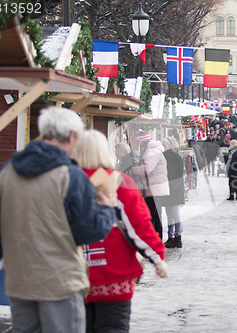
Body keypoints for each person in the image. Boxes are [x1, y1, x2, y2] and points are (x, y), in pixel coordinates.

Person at [0, 107, 116, 332]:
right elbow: (89, 230)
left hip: (20, 279)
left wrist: (6, 253)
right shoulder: (71, 176)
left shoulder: (8, 171)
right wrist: (107, 209)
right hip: (60, 282)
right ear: (72, 136)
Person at [73, 130, 168, 332]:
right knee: (113, 326)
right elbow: (139, 225)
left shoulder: (64, 183)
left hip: (73, 273)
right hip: (114, 273)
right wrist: (157, 257)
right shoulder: (118, 181)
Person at [133, 140, 170, 241]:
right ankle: (158, 240)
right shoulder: (157, 151)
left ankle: (152, 241)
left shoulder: (151, 152)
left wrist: (133, 169)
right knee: (157, 215)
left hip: (154, 189)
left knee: (150, 215)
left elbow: (147, 169)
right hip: (158, 188)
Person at [161, 137, 186, 248]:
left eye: (165, 145)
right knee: (169, 214)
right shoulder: (165, 156)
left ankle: (178, 237)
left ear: (171, 145)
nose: (163, 147)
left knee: (175, 213)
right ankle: (171, 237)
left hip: (174, 188)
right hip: (167, 188)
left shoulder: (175, 156)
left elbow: (176, 174)